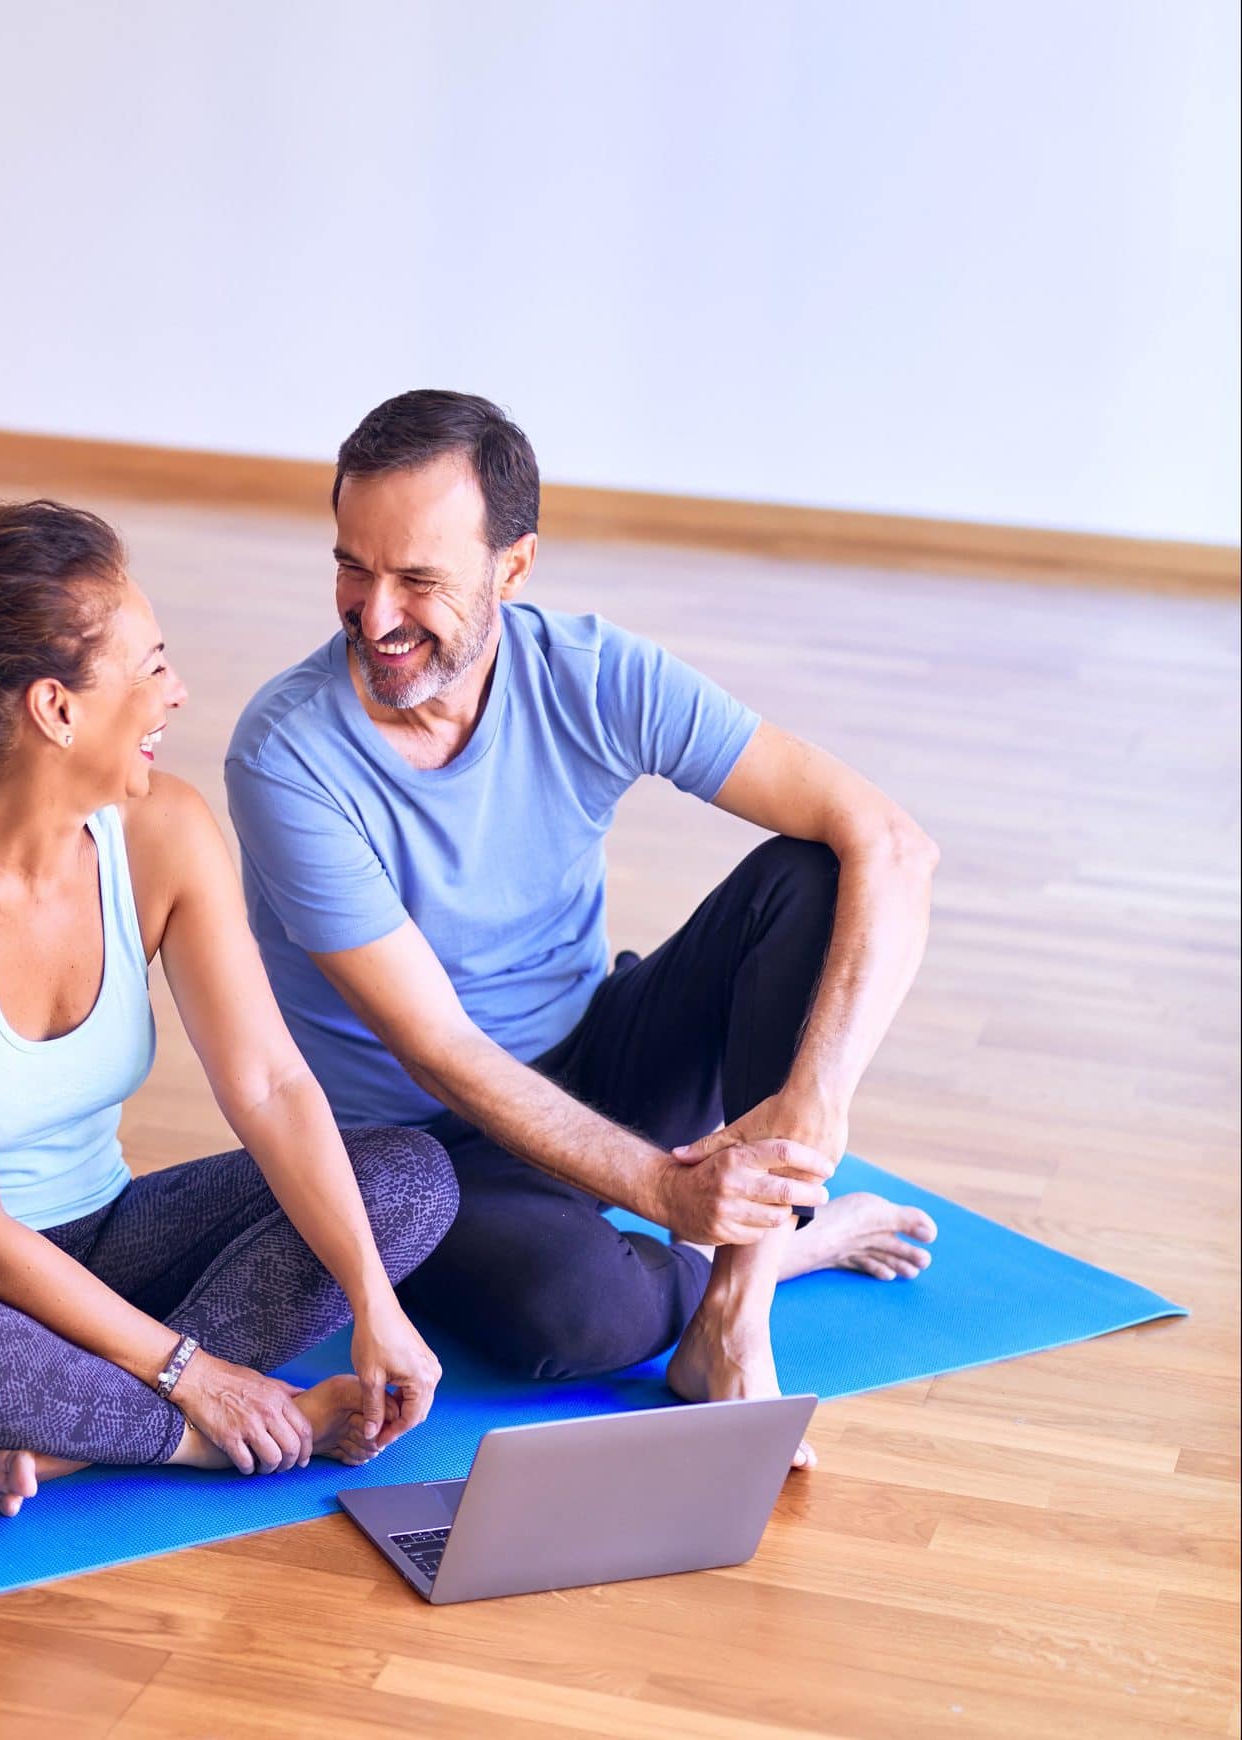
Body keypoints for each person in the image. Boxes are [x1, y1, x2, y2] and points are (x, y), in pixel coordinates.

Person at [226, 390, 941, 1470]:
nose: (374, 616)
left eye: (419, 580)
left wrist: (817, 1104)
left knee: (812, 873)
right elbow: (443, 1051)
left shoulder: (595, 674)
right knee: (575, 1320)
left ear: (513, 570)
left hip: (600, 1054)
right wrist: (666, 1191)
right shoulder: (287, 757)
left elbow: (891, 844)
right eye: (351, 568)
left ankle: (734, 1319)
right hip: (430, 1149)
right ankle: (792, 1247)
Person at [0, 498, 456, 1517]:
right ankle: (188, 1437)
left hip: (104, 1243)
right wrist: (196, 1377)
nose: (176, 692)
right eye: (149, 669)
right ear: (56, 709)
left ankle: (69, 1440)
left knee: (408, 1181)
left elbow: (271, 1085)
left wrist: (372, 1299)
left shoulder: (166, 834)